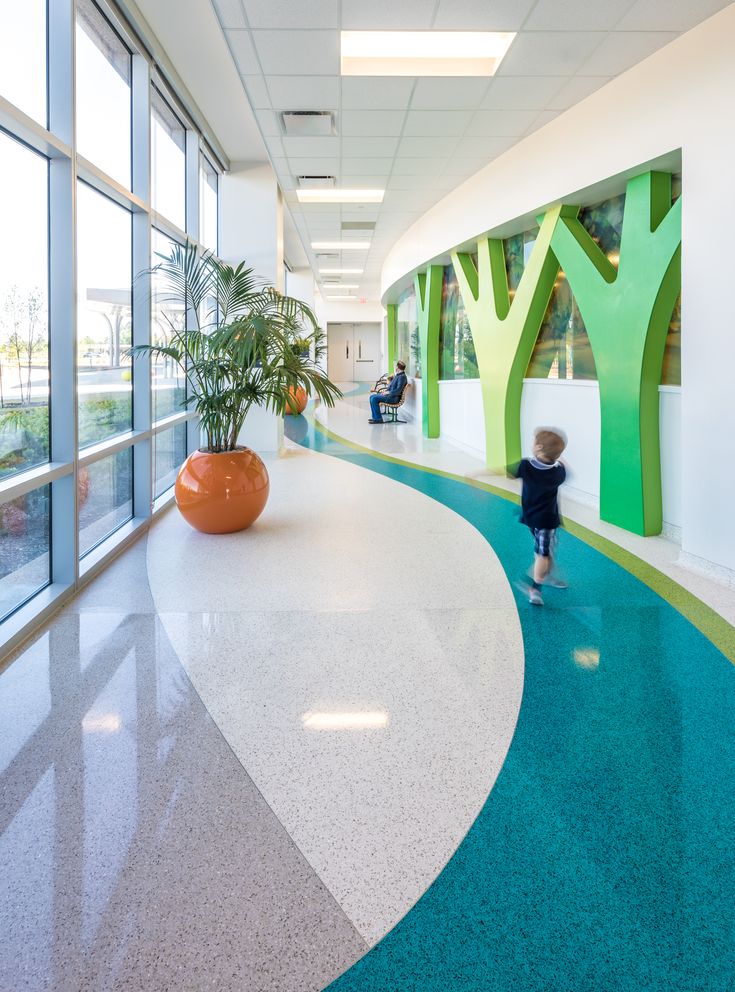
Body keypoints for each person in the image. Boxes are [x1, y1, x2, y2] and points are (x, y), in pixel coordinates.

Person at [511, 428, 567, 606]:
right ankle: (535, 586)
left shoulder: (525, 466)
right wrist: (558, 457)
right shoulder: (559, 473)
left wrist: (479, 473)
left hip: (531, 518)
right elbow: (563, 468)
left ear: (538, 447)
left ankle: (541, 580)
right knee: (543, 554)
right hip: (547, 521)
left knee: (545, 552)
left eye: (533, 441)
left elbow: (504, 472)